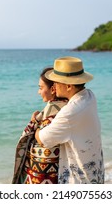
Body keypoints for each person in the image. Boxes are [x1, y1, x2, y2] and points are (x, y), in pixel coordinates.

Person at [35, 56, 104, 184]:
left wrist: (37, 125)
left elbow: (43, 140)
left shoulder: (70, 113)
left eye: (56, 82)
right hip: (96, 174)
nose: (54, 86)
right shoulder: (89, 96)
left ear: (68, 86)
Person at [12, 67, 68, 184]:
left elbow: (43, 144)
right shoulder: (66, 109)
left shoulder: (52, 118)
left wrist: (37, 125)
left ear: (53, 89)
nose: (38, 92)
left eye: (40, 88)